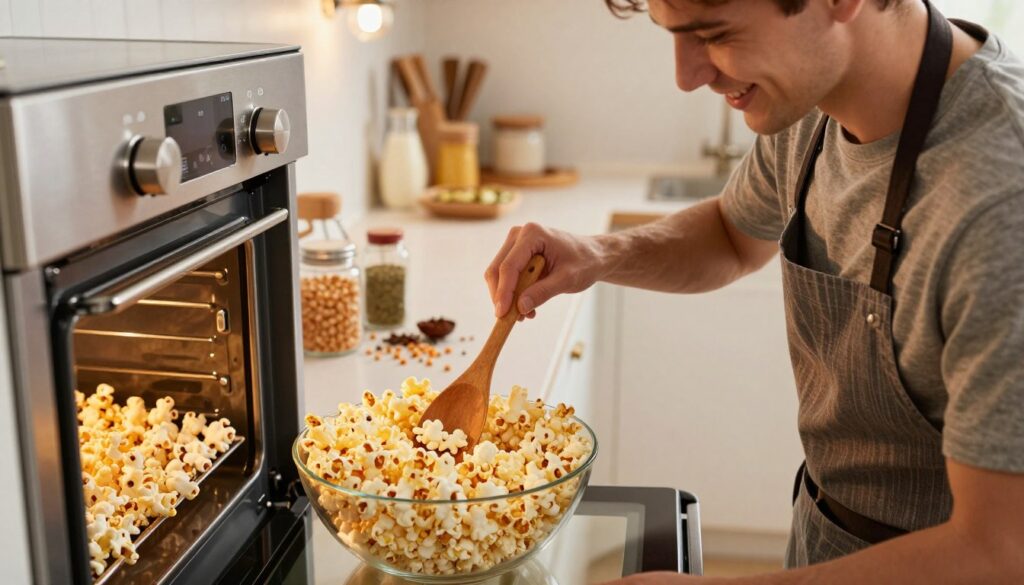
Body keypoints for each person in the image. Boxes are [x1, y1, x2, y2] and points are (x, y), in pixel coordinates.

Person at [484, 0, 1024, 582]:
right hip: (827, 537)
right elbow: (731, 236)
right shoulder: (812, 106)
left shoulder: (998, 198)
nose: (686, 77)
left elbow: (997, 552)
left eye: (713, 35)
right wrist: (596, 254)